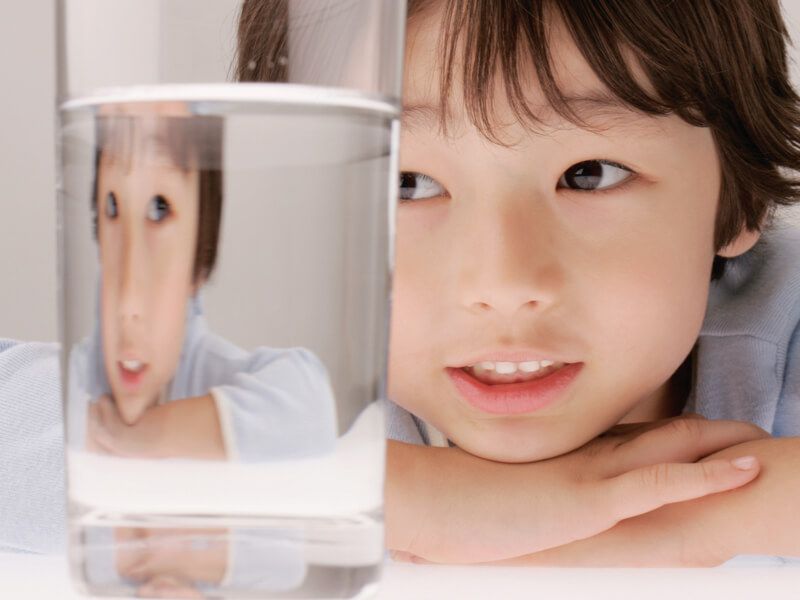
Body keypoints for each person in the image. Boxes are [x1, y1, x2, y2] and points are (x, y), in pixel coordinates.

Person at [234, 0, 800, 566]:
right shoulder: (281, 372)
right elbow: (154, 474)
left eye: (589, 175)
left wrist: (680, 526)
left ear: (739, 197)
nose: (503, 282)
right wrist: (411, 496)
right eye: (407, 184)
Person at [70, 102, 337, 463]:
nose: (129, 303)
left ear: (200, 261)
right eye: (112, 207)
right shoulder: (60, 384)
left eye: (159, 209)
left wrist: (135, 436)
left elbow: (309, 403)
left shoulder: (223, 377)